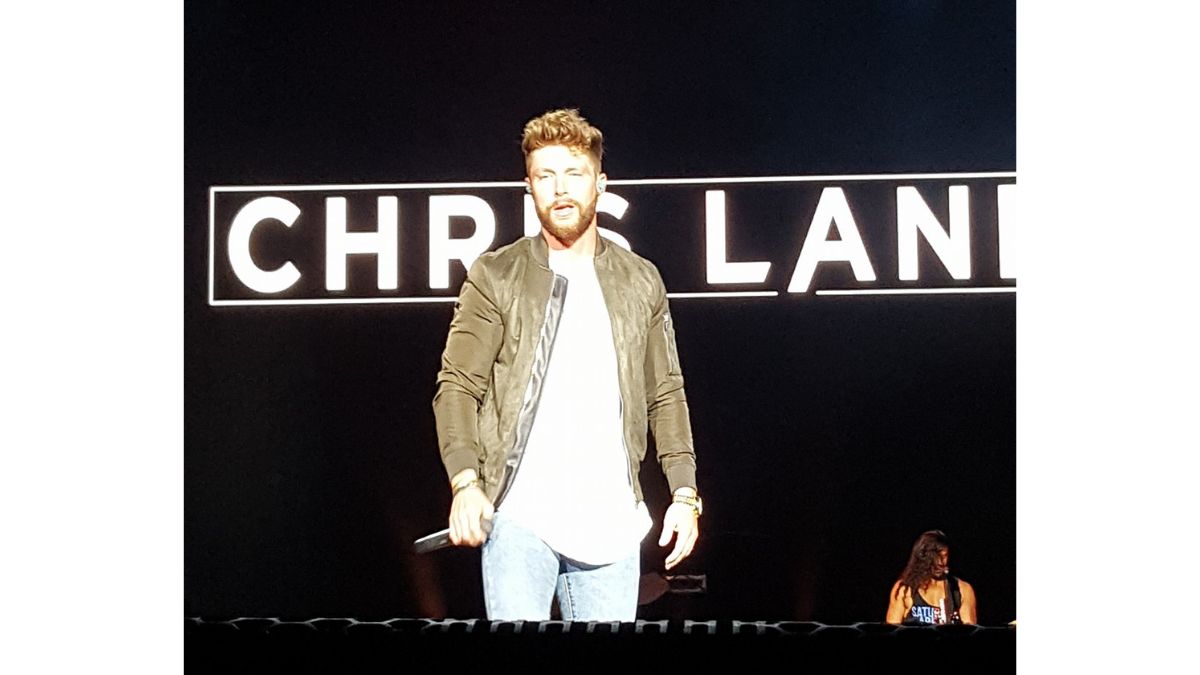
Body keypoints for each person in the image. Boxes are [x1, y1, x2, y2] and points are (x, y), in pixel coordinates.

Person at [432, 108, 702, 621]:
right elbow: (458, 386)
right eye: (545, 176)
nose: (560, 189)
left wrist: (685, 493)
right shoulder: (497, 274)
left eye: (574, 174)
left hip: (611, 521)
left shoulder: (640, 279)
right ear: (529, 187)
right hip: (520, 515)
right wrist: (466, 482)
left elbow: (665, 392)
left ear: (600, 183)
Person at [885, 530, 977, 625]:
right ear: (923, 557)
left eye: (944, 556)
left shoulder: (962, 590)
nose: (940, 562)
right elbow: (893, 629)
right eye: (936, 557)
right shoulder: (904, 589)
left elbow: (969, 630)